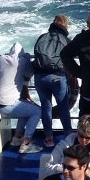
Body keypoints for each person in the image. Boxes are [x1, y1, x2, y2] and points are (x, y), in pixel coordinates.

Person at [0, 41, 42, 154]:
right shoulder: (22, 61)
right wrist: (27, 57)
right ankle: (26, 144)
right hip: (5, 105)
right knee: (37, 111)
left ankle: (17, 138)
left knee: (25, 108)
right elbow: (29, 71)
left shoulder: (1, 59)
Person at [33, 15, 73, 149]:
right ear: (65, 25)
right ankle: (68, 136)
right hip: (57, 77)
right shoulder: (66, 40)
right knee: (63, 107)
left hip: (40, 77)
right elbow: (69, 59)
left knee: (46, 107)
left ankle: (49, 138)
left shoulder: (41, 38)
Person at [43, 115, 90, 180]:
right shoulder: (63, 146)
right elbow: (47, 170)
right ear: (77, 132)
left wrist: (89, 172)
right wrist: (66, 168)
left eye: (88, 138)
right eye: (81, 136)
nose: (84, 140)